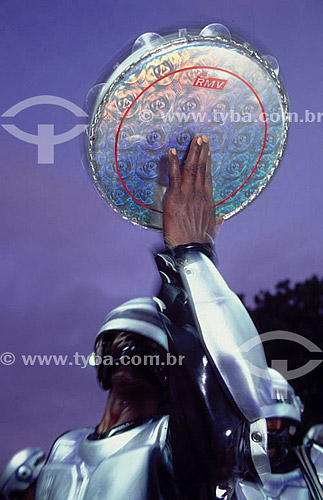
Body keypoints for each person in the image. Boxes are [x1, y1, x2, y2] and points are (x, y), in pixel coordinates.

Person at [3, 136, 276, 499]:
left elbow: (232, 405)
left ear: (169, 366)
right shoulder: (63, 449)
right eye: (119, 341)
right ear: (99, 355)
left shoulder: (170, 443)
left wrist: (191, 255)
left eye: (144, 345)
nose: (129, 352)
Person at [235, 368, 323, 499]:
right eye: (257, 423)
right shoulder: (229, 479)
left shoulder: (316, 462)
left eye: (271, 422)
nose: (265, 431)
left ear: (287, 425)